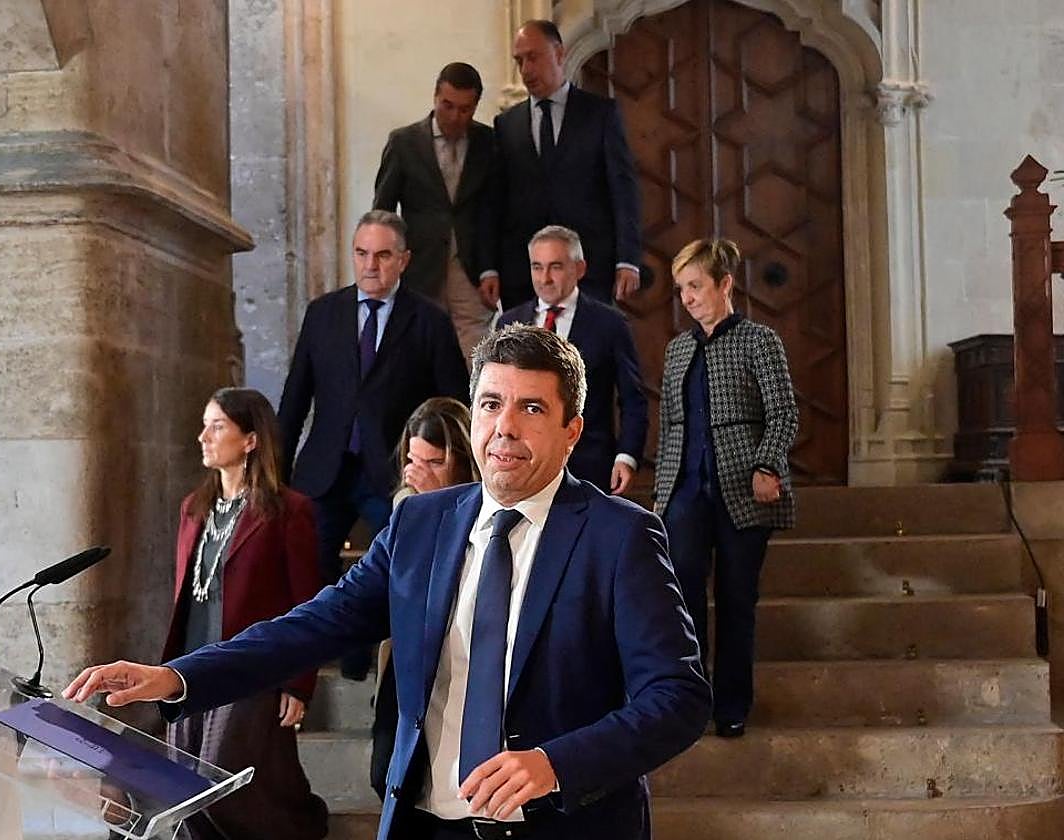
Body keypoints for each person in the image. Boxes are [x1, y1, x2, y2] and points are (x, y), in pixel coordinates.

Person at [66, 324, 710, 840]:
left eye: (531, 408)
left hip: (565, 824)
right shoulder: (420, 524)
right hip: (425, 822)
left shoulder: (619, 536)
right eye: (490, 403)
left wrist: (554, 764)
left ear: (571, 431)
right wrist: (178, 676)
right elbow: (312, 627)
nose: (505, 426)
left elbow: (677, 698)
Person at [277, 209, 471, 679]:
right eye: (362, 253)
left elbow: (455, 406)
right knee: (310, 566)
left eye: (383, 255)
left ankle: (368, 655)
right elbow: (295, 397)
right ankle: (310, 666)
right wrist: (275, 471)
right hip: (325, 466)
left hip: (394, 471)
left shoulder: (429, 321)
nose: (371, 265)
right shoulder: (323, 313)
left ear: (403, 260)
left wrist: (451, 476)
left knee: (395, 568)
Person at [162, 387, 328, 840]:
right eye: (204, 424)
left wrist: (299, 683)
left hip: (250, 668)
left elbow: (309, 604)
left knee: (231, 780)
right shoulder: (193, 510)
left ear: (250, 440)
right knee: (184, 787)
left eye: (217, 426)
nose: (203, 436)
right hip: (190, 668)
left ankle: (302, 828)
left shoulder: (287, 510)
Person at [652, 238, 798, 739]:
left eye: (695, 286)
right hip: (685, 494)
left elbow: (783, 413)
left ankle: (732, 706)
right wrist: (662, 497)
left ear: (725, 285)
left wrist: (766, 464)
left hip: (743, 493)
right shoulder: (677, 351)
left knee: (737, 601)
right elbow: (671, 427)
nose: (687, 298)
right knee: (683, 602)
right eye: (681, 289)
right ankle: (691, 704)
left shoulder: (760, 341)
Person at [479, 20, 642, 308]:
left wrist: (627, 259)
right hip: (524, 274)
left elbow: (623, 189)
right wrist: (489, 267)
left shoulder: (599, 114)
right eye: (519, 61)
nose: (526, 69)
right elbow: (494, 202)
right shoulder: (507, 124)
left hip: (588, 266)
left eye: (533, 57)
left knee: (585, 351)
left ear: (559, 53)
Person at [372, 397, 479, 799]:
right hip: (410, 654)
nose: (420, 473)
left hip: (461, 654)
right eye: (415, 461)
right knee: (386, 773)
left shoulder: (480, 508)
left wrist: (433, 499)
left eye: (435, 463)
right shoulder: (407, 507)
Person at [498, 226, 647, 496]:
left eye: (555, 267)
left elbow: (633, 398)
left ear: (579, 269)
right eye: (536, 267)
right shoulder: (509, 323)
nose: (545, 278)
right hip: (523, 464)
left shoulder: (610, 324)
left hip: (590, 465)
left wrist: (626, 457)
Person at [374, 62, 498, 359]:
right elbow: (384, 212)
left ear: (476, 106)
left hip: (471, 268)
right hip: (420, 266)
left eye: (465, 109)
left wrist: (492, 268)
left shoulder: (489, 142)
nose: (455, 116)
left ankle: (471, 407)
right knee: (421, 350)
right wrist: (385, 265)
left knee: (475, 354)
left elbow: (496, 210)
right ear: (435, 97)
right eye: (448, 105)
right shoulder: (404, 143)